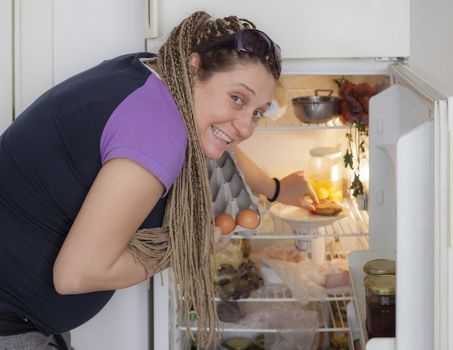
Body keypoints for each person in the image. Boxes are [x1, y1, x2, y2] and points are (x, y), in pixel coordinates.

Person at [0, 11, 317, 349]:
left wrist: (276, 188)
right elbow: (76, 275)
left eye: (256, 112)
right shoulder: (158, 134)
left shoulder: (152, 75)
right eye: (237, 98)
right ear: (194, 68)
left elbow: (222, 138)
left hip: (20, 308)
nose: (244, 127)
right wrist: (184, 249)